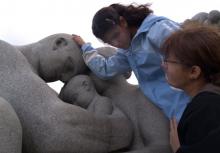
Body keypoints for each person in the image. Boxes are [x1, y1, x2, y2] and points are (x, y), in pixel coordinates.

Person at [72, 3, 190, 121]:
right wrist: (85, 47)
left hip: (193, 102)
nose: (116, 43)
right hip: (174, 113)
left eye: (116, 35)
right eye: (110, 42)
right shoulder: (127, 52)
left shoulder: (157, 30)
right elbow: (106, 69)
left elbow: (192, 54)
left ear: (123, 22)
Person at [161, 25, 220, 153]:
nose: (163, 65)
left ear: (193, 72)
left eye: (168, 61)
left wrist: (178, 149)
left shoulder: (206, 108)